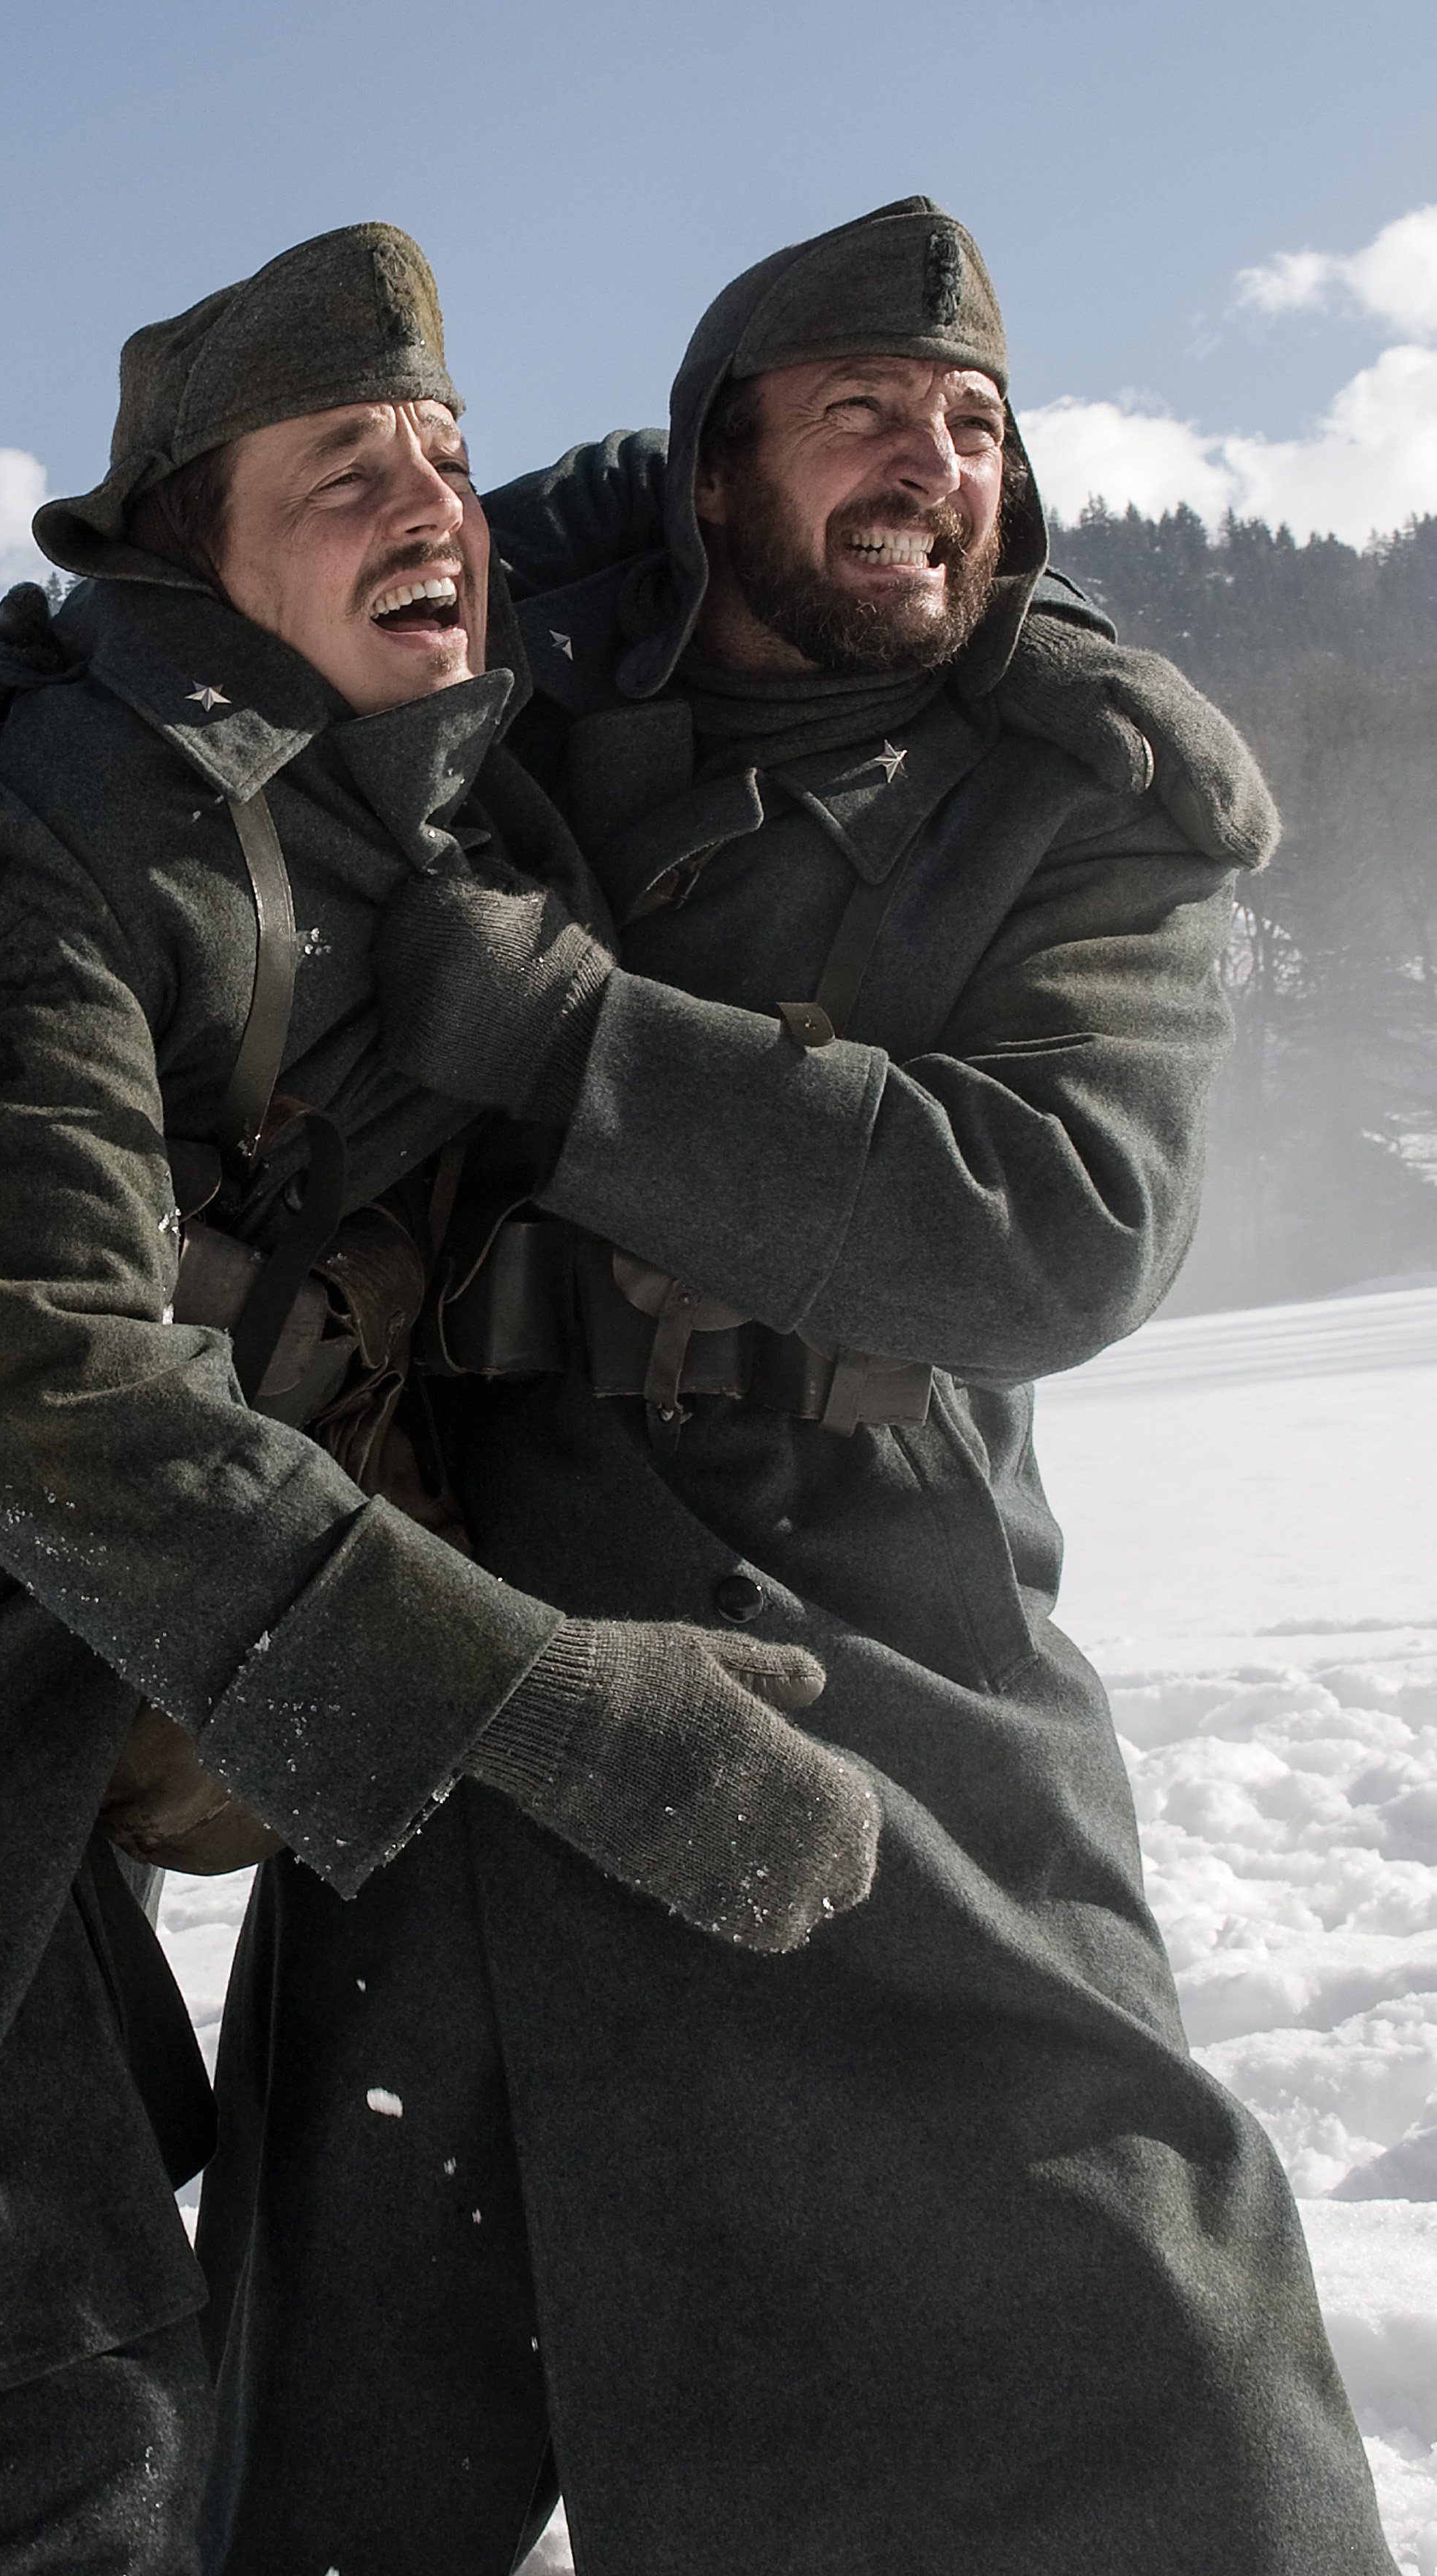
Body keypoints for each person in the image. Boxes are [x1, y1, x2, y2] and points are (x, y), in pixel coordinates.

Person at [0, 223, 872, 2576]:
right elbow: (34, 1383)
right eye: (348, 466)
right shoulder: (29, 855)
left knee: (20, 2362)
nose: (432, 505)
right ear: (195, 555)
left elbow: (658, 508)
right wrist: (553, 1706)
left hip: (86, 1650)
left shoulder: (413, 771)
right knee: (40, 2397)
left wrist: (968, 559)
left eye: (447, 456)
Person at [196, 200, 1397, 2574]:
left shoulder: (1085, 807)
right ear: (715, 465)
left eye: (973, 427)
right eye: (862, 411)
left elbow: (1064, 1218)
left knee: (1134, 2310)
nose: (931, 463)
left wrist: (579, 1041)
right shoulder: (519, 674)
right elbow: (234, 608)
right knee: (321, 2427)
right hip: (475, 1637)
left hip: (872, 1638)